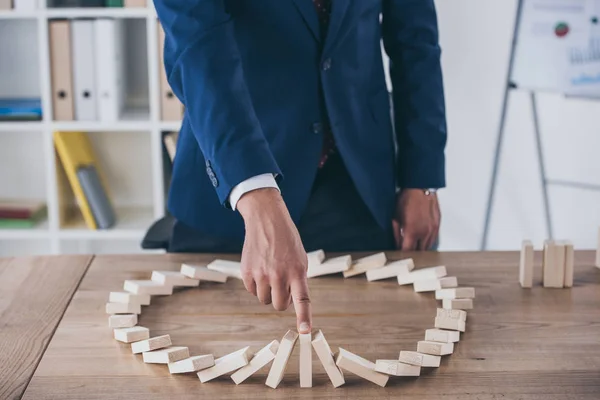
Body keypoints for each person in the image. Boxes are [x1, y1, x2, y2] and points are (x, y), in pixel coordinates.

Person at [154, 0, 447, 336]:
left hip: (357, 185)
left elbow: (415, 41)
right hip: (229, 194)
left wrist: (421, 178)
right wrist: (255, 192)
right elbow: (197, 47)